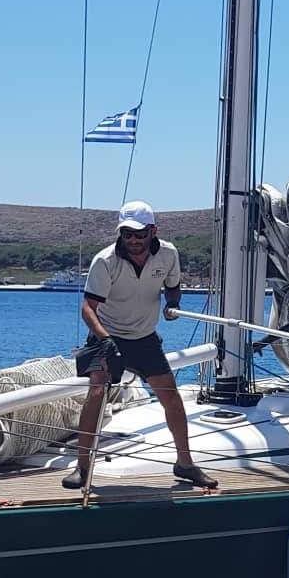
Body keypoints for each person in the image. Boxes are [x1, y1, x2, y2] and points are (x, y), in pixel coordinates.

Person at [66, 201, 218, 491]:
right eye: (127, 234)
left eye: (140, 234)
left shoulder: (169, 254)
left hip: (144, 337)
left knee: (171, 396)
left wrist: (173, 303)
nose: (133, 240)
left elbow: (173, 286)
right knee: (97, 392)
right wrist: (105, 339)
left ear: (153, 231)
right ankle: (82, 467)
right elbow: (88, 308)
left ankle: (185, 464)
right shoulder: (105, 261)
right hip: (107, 335)